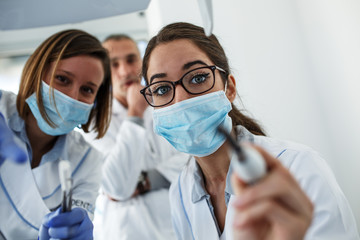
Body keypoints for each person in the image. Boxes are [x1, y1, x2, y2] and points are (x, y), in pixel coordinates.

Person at [140, 22, 360, 239]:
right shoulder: (180, 191)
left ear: (230, 89)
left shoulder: (298, 166)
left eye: (198, 78)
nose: (181, 100)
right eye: (161, 89)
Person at [0, 29, 112, 239]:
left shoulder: (87, 160)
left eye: (87, 89)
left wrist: (73, 231)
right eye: (62, 79)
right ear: (37, 73)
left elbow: (77, 220)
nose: (72, 96)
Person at [81, 34, 188, 239]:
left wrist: (143, 181)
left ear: (142, 62)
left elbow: (193, 159)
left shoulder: (169, 105)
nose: (125, 71)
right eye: (114, 64)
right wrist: (135, 115)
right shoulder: (94, 123)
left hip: (178, 228)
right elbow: (118, 187)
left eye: (131, 59)